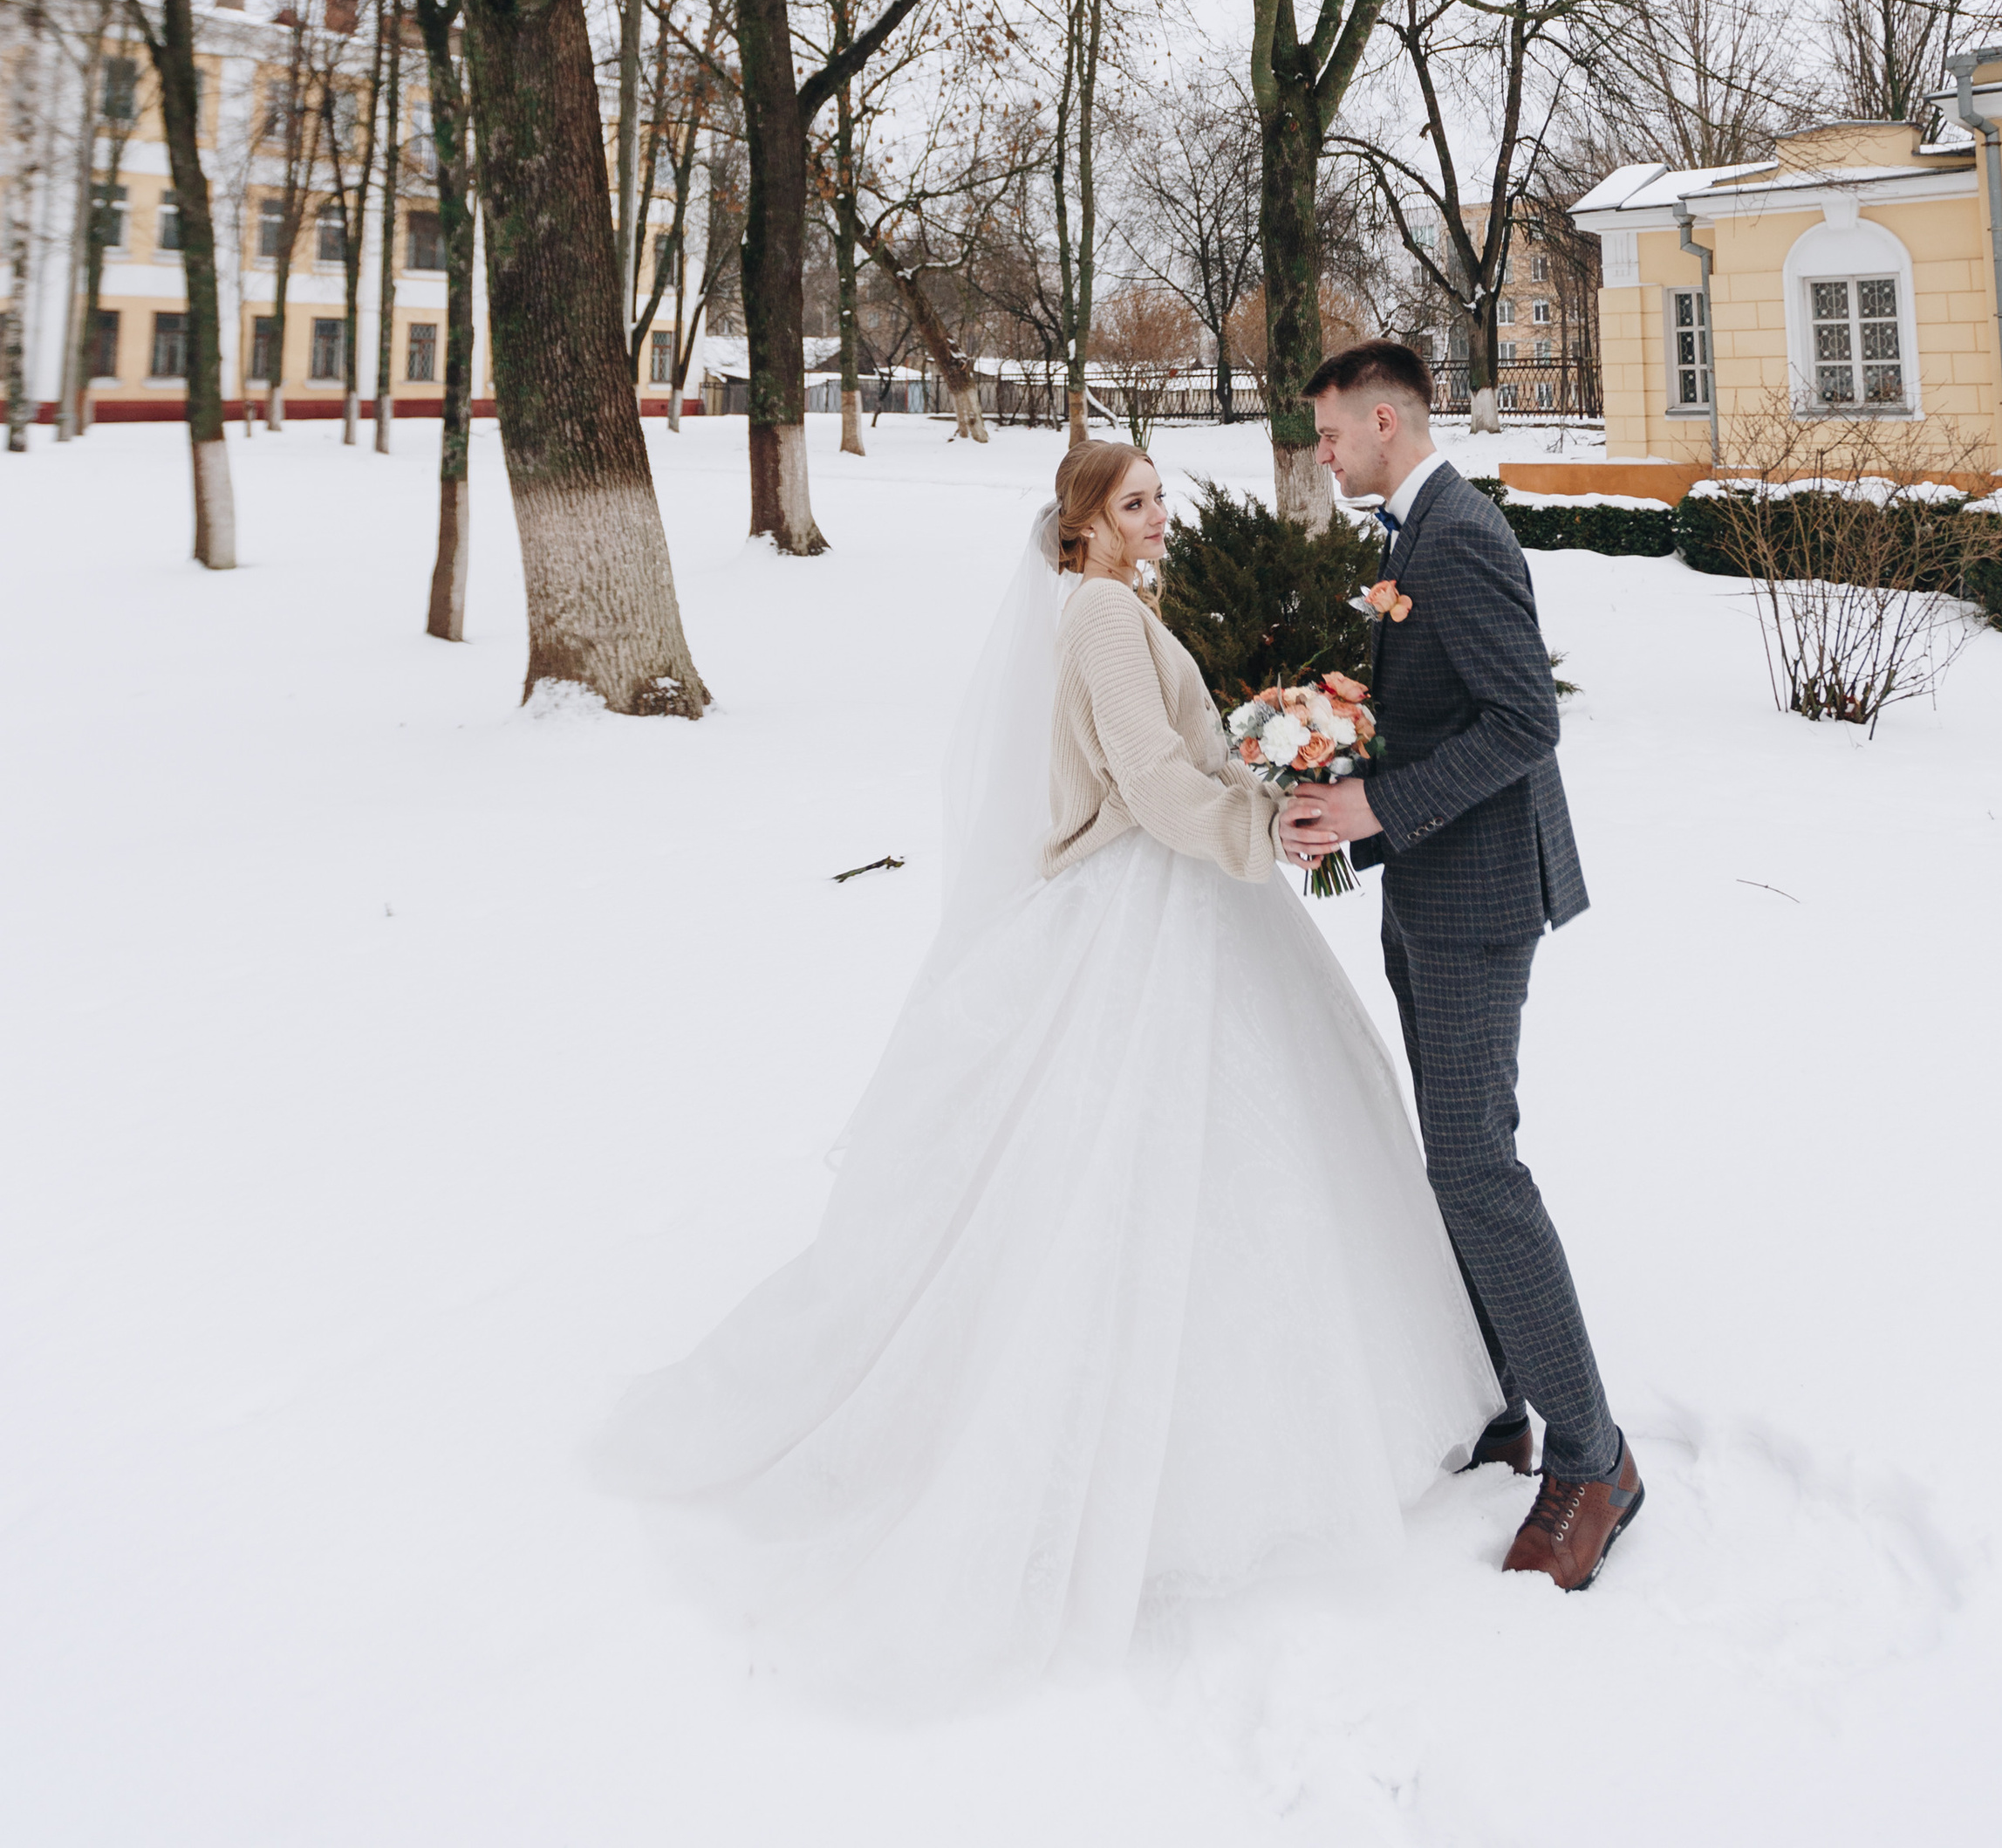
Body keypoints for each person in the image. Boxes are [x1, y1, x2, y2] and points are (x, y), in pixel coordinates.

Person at [594, 439, 1493, 1700]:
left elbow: (1174, 760)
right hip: (1146, 901)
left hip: (1182, 887)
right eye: (1135, 503)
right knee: (1134, 1164)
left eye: (1160, 497)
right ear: (1084, 523)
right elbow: (1149, 780)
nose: (1160, 516)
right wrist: (1262, 823)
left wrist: (1272, 759)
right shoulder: (1100, 620)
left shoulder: (1115, 607)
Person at [1282, 341, 1643, 1594]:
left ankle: (1595, 1458)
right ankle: (1501, 1396)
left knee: (1477, 1166)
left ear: (1385, 421)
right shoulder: (1410, 534)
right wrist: (1336, 755)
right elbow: (1439, 707)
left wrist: (1376, 807)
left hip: (1479, 899)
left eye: (1332, 433)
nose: (1323, 454)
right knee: (1459, 1159)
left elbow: (1526, 721)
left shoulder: (1459, 537)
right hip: (1430, 888)